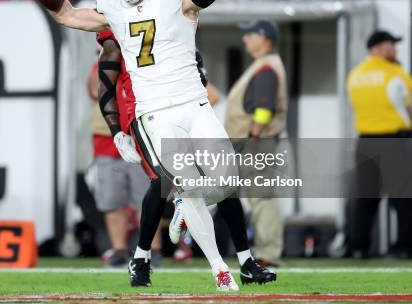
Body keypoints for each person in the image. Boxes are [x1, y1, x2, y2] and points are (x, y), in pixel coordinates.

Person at [31, 0, 243, 291]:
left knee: (225, 181)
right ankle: (220, 271)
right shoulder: (111, 5)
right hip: (153, 111)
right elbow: (67, 16)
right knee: (185, 182)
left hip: (192, 102)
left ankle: (182, 204)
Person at [96, 30, 277, 285]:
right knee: (163, 181)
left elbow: (196, 68)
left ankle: (246, 261)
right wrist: (117, 131)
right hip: (149, 114)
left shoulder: (169, 16)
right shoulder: (119, 23)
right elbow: (104, 82)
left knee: (223, 179)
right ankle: (142, 257)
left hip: (186, 108)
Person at [224, 20, 288, 267]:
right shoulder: (264, 65)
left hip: (257, 142)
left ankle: (269, 253)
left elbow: (264, 107)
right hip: (255, 140)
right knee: (259, 196)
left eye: (250, 35)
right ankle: (266, 250)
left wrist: (254, 136)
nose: (245, 39)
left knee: (262, 197)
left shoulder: (266, 68)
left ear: (264, 38)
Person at [346, 31, 412, 259]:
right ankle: (405, 246)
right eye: (391, 45)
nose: (394, 49)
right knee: (403, 197)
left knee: (366, 197)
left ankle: (358, 247)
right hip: (394, 140)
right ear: (379, 48)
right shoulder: (396, 74)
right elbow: (409, 107)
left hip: (365, 141)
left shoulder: (355, 75)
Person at [87, 49, 154, 267]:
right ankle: (119, 249)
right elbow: (94, 91)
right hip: (107, 138)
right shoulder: (102, 60)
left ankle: (153, 248)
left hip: (138, 133)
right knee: (112, 199)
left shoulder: (139, 56)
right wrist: (102, 56)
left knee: (146, 196)